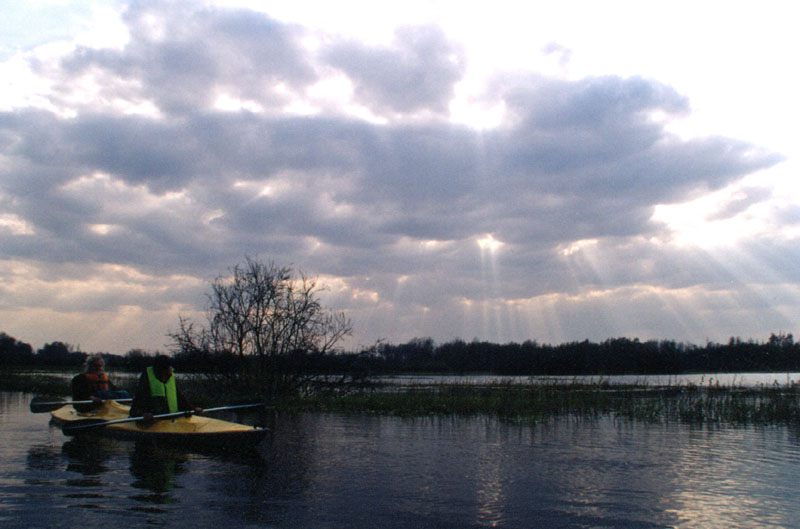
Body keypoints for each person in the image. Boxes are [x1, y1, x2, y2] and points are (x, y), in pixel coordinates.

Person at [129, 355, 203, 421]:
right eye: (167, 373)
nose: (170, 374)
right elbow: (136, 406)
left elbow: (180, 398)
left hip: (170, 419)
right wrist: (142, 414)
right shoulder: (146, 381)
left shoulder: (170, 378)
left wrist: (192, 409)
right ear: (161, 371)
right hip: (154, 421)